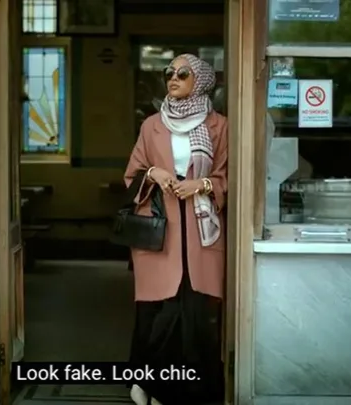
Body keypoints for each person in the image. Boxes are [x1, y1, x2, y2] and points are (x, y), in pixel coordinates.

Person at [124, 54, 228, 405]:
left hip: (202, 235)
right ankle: (146, 382)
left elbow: (230, 178)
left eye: (182, 74)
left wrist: (202, 185)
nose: (173, 78)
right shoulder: (152, 125)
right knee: (156, 311)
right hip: (160, 233)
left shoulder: (220, 126)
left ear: (198, 81)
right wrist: (156, 174)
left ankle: (183, 392)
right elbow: (131, 175)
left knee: (196, 313)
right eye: (168, 73)